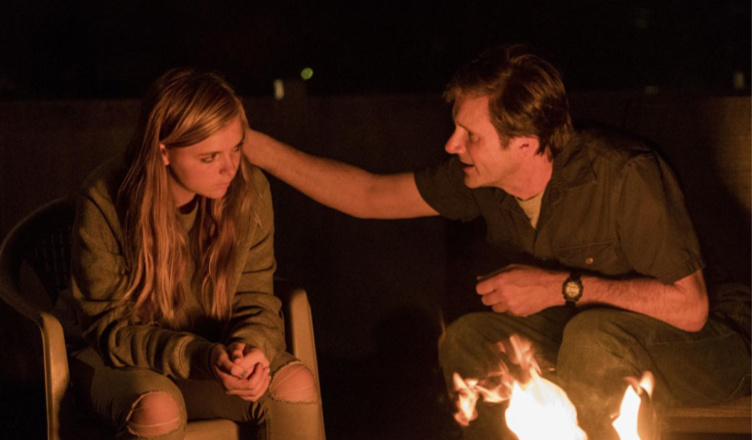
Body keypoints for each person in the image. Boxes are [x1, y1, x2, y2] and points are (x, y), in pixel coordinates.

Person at [242, 45, 750, 438]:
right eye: (456, 130)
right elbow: (368, 195)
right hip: (591, 334)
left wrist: (558, 288)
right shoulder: (483, 180)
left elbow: (691, 309)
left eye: (471, 136)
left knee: (590, 339)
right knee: (471, 340)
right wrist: (254, 146)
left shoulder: (623, 175)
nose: (452, 145)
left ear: (525, 144)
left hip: (715, 344)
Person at [67, 68, 322, 440]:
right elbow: (110, 330)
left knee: (294, 384)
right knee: (157, 409)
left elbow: (255, 295)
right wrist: (200, 356)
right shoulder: (105, 198)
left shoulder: (248, 190)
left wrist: (249, 348)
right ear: (164, 151)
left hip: (208, 360)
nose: (230, 168)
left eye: (236, 148)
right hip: (115, 362)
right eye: (209, 157)